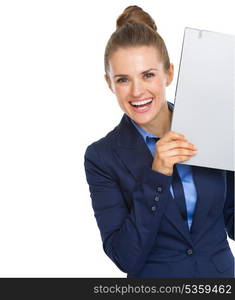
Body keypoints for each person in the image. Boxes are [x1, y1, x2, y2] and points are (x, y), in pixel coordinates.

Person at [84, 5, 234, 277]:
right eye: (122, 80)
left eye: (148, 75)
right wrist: (158, 173)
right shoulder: (102, 157)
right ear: (109, 83)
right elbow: (125, 256)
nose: (137, 91)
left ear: (168, 73)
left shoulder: (211, 127)